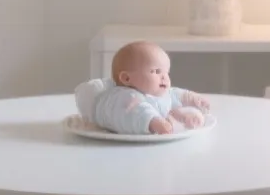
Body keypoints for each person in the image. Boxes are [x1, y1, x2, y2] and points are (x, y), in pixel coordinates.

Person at [74, 40, 213, 134]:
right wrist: (154, 122)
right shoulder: (124, 97)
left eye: (166, 72)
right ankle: (178, 117)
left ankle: (183, 117)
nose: (164, 77)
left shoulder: (156, 92)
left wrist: (191, 98)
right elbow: (137, 112)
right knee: (162, 114)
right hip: (120, 141)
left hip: (157, 121)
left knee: (172, 106)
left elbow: (173, 94)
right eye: (156, 71)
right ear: (127, 78)